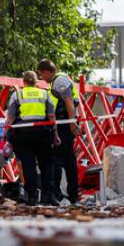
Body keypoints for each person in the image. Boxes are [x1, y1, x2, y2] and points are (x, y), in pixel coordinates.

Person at [6, 71, 59, 206]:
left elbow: (11, 118)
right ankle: (49, 196)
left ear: (23, 82)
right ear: (36, 82)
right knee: (47, 165)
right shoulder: (44, 94)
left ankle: (32, 197)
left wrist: (5, 134)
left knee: (29, 166)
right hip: (43, 134)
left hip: (23, 135)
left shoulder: (17, 94)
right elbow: (52, 117)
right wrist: (55, 135)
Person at [36, 59, 80, 204]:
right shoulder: (62, 79)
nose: (42, 79)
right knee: (68, 160)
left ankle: (58, 194)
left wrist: (72, 124)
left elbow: (69, 103)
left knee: (58, 160)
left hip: (64, 126)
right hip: (65, 124)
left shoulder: (59, 81)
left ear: (47, 71)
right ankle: (72, 194)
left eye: (41, 75)